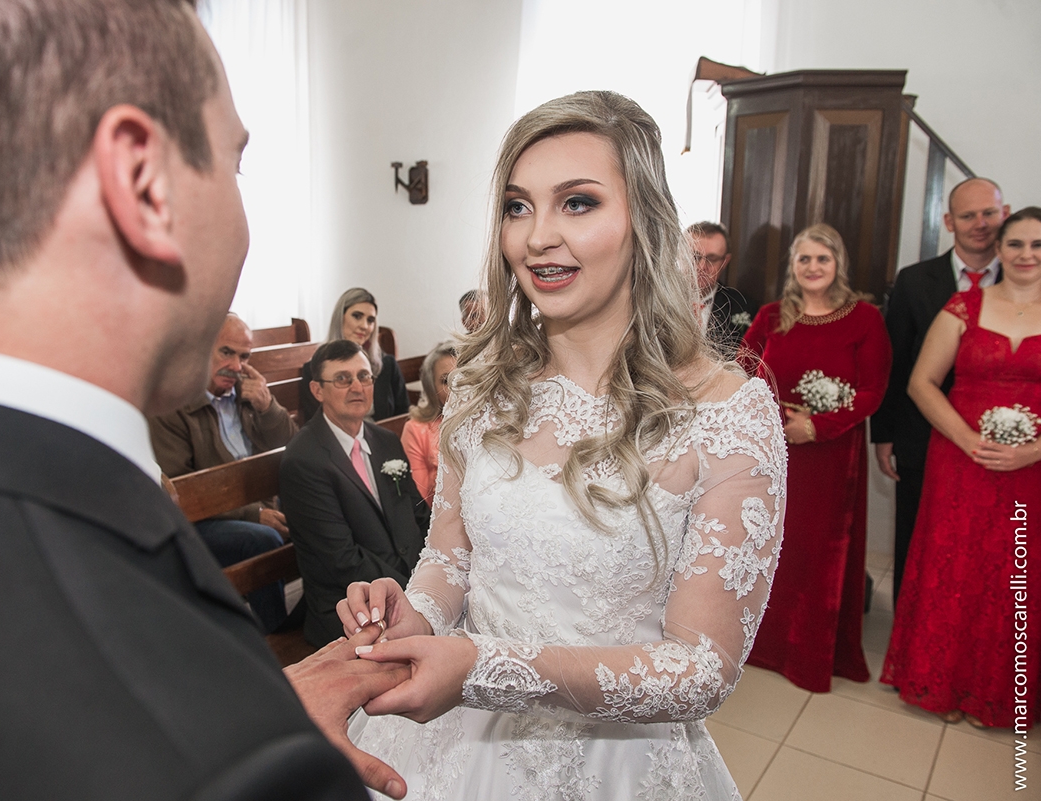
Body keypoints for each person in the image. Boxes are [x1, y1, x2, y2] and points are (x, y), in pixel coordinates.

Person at [0, 2, 410, 798]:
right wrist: (251, 720)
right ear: (143, 182)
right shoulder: (229, 762)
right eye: (233, 161)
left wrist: (258, 694)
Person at [337, 90, 787, 800]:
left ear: (643, 218)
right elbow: (449, 557)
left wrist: (483, 669)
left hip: (616, 767)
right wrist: (410, 617)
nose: (537, 236)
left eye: (577, 202)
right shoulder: (483, 382)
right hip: (447, 754)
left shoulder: (727, 413)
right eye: (518, 206)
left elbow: (703, 668)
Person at [881, 207, 1041, 728]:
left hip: (1031, 468)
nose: (1026, 255)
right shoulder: (964, 306)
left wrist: (1032, 450)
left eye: (1037, 245)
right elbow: (922, 381)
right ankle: (939, 683)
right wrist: (968, 439)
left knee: (1017, 578)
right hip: (961, 459)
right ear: (999, 248)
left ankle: (996, 693)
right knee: (955, 569)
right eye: (1015, 244)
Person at [739, 223, 891, 693]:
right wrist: (774, 420)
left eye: (822, 259)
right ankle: (760, 644)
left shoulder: (864, 318)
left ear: (837, 264)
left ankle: (809, 650)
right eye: (804, 259)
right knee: (771, 544)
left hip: (831, 454)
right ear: (793, 266)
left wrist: (818, 425)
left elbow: (872, 390)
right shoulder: (771, 315)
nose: (812, 267)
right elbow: (744, 371)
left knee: (817, 550)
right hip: (777, 450)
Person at [870, 178, 1010, 603]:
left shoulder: (1028, 282)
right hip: (921, 434)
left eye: (989, 213)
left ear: (1005, 214)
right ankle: (907, 634)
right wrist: (884, 434)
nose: (980, 224)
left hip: (1001, 440)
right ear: (949, 221)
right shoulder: (914, 281)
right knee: (916, 536)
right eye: (968, 215)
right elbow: (895, 363)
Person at [149, 312, 297, 632]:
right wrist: (253, 514)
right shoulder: (172, 404)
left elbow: (295, 449)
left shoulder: (247, 394)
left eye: (244, 357)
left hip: (260, 504)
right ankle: (276, 636)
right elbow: (182, 492)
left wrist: (268, 407)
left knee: (322, 507)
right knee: (263, 539)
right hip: (203, 521)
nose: (236, 365)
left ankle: (316, 616)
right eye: (226, 352)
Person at [281, 339, 430, 648]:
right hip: (351, 608)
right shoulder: (304, 460)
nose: (357, 387)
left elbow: (418, 516)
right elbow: (342, 559)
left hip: (407, 588)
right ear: (317, 390)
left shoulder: (386, 441)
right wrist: (413, 594)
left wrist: (432, 577)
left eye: (364, 376)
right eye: (342, 379)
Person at [298, 288, 409, 422]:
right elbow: (315, 424)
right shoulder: (314, 369)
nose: (364, 326)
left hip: (383, 439)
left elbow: (403, 416)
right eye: (357, 316)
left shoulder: (387, 364)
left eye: (370, 320)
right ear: (340, 317)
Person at [687, 221, 760, 358]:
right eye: (695, 257)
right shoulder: (657, 298)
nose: (702, 267)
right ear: (680, 254)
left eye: (711, 258)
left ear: (725, 261)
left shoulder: (743, 306)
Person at [399, 341, 457, 506]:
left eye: (462, 376)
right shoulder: (416, 429)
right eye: (446, 381)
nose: (456, 386)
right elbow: (420, 501)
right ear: (432, 389)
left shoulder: (490, 421)